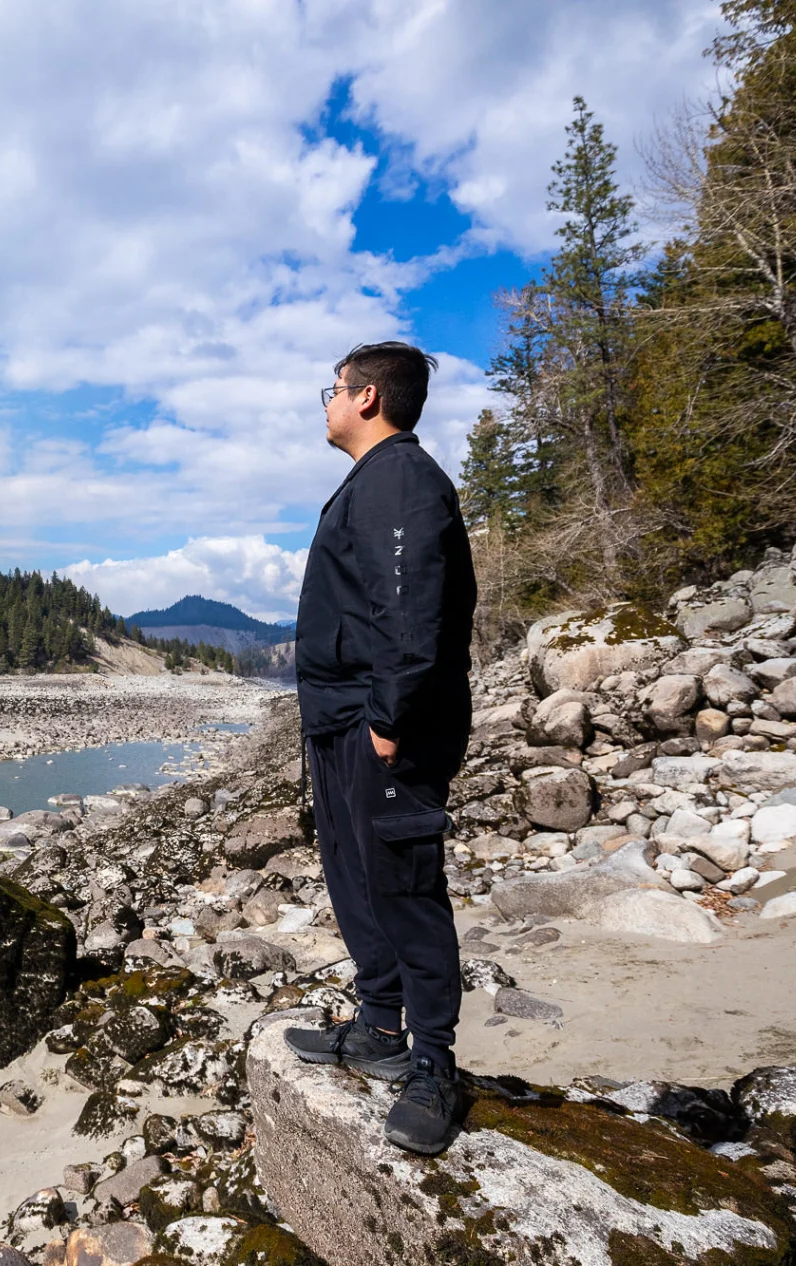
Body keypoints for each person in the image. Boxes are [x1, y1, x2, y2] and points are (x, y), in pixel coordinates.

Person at [284, 341, 477, 1156]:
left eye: (331, 389)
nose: (324, 402)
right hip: (341, 719)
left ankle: (434, 1063)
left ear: (366, 397)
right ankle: (378, 1026)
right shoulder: (373, 480)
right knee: (355, 874)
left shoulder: (401, 478)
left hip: (382, 726)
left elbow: (414, 613)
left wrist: (389, 723)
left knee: (403, 882)